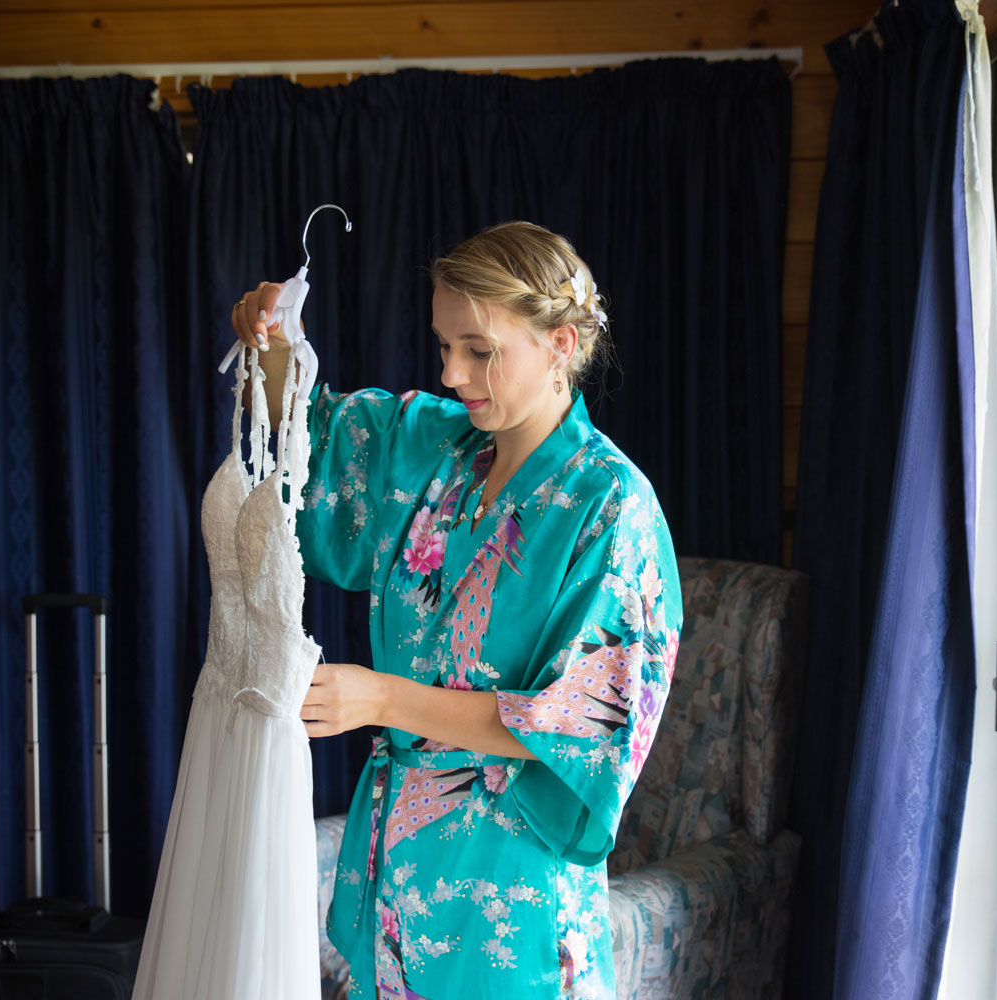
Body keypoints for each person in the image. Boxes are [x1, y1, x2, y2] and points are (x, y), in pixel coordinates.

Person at [229, 221, 681, 1000]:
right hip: (405, 870)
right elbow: (316, 444)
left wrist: (380, 697)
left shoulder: (611, 506)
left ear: (561, 344)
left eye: (479, 350)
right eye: (444, 347)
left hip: (513, 893)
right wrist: (273, 345)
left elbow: (580, 719)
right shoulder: (438, 451)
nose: (452, 374)